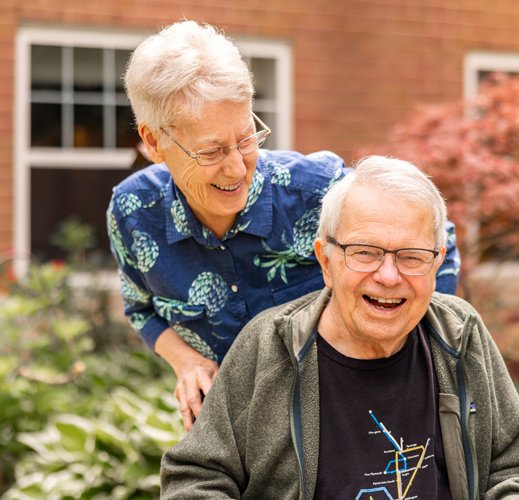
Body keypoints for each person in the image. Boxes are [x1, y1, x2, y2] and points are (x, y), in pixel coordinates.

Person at [107, 20, 461, 431]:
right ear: (153, 143)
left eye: (245, 138)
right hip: (236, 434)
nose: (237, 167)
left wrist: (401, 353)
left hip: (354, 421)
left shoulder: (318, 190)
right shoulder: (133, 211)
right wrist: (186, 361)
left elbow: (437, 241)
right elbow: (141, 308)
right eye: (211, 151)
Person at [159, 156, 519, 500]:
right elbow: (196, 477)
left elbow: (509, 468)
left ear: (437, 262)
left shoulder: (461, 333)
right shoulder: (268, 346)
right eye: (365, 252)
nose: (389, 276)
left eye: (412, 256)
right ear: (326, 261)